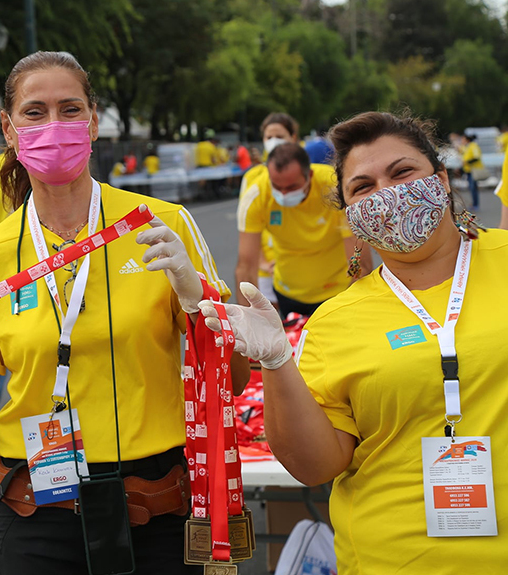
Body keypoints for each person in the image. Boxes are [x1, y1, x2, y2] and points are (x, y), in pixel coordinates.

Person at [0, 50, 249, 574]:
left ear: (94, 121)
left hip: (158, 509)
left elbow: (233, 380)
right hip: (38, 515)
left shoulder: (161, 226)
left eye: (70, 109)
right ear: (9, 129)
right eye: (35, 113)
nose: (54, 126)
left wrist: (200, 304)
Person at [199, 111, 508, 573]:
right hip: (388, 560)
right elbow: (315, 466)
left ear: (441, 179)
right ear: (351, 215)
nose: (386, 192)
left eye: (402, 172)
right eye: (363, 187)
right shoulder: (334, 322)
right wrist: (278, 362)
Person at [237, 121, 370, 318]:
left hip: (337, 292)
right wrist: (247, 321)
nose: (283, 194)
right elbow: (245, 267)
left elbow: (359, 261)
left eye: (292, 187)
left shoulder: (335, 189)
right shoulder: (256, 193)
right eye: (277, 187)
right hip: (287, 292)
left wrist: (355, 302)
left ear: (310, 175)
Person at [461, 133, 482, 210]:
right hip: (469, 170)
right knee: (471, 188)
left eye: (463, 139)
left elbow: (476, 157)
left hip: (474, 170)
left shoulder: (473, 146)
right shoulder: (467, 146)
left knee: (473, 188)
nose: (462, 141)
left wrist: (467, 162)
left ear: (467, 140)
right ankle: (474, 203)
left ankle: (475, 204)